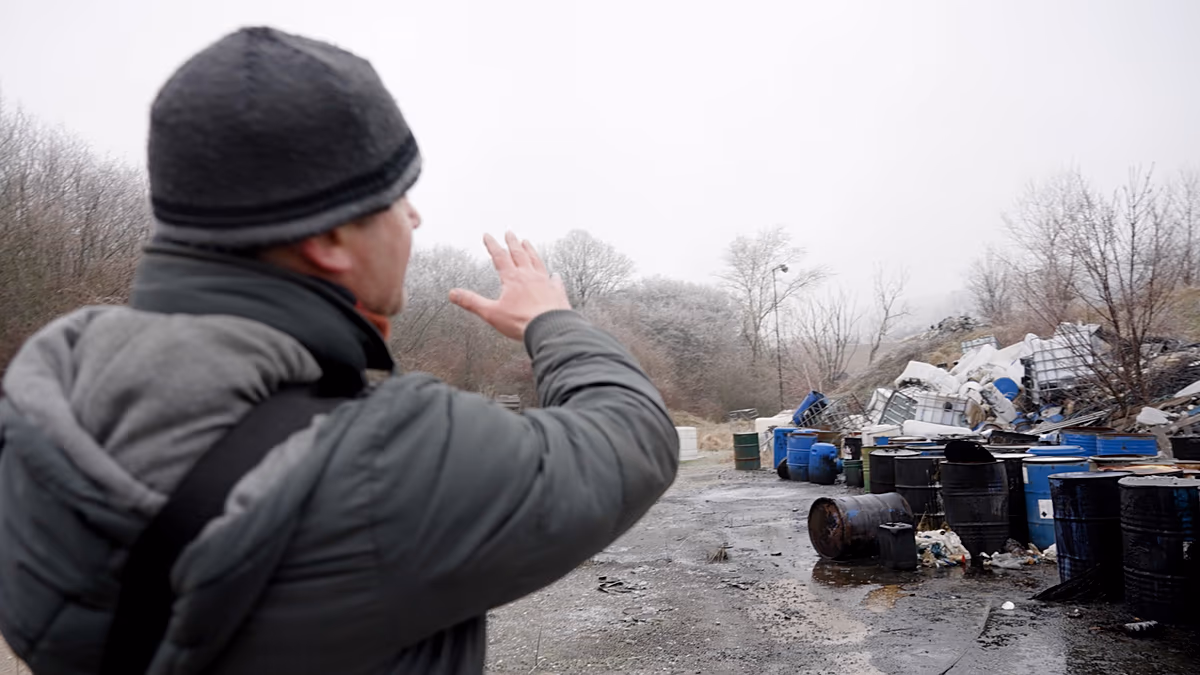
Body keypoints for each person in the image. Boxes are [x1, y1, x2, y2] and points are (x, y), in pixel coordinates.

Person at [0, 26, 679, 674]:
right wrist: (551, 320)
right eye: (395, 195)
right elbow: (632, 434)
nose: (413, 217)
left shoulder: (42, 407)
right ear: (327, 236)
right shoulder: (384, 462)